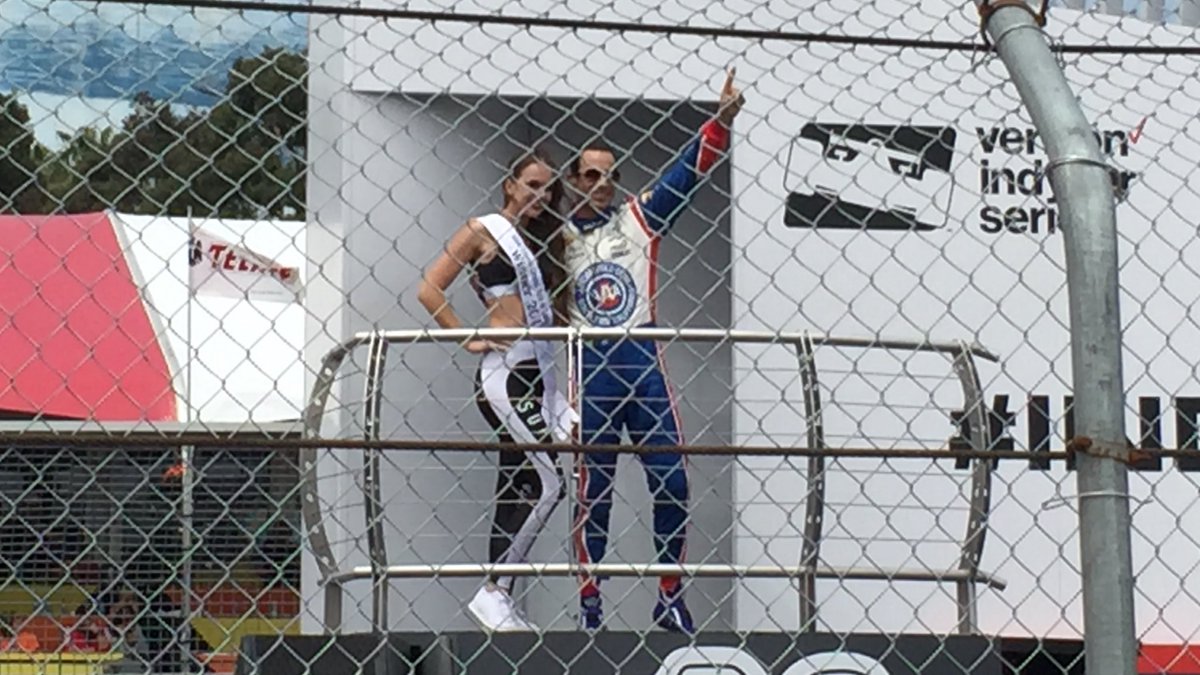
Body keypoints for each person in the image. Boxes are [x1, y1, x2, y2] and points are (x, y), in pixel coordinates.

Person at [566, 68, 745, 634]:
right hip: (588, 368)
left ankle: (670, 593)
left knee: (672, 479)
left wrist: (719, 123)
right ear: (573, 181)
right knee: (594, 492)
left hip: (642, 362)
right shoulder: (554, 234)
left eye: (608, 174)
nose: (600, 181)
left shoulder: (639, 217)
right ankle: (590, 600)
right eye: (589, 174)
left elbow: (686, 177)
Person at [418, 148, 577, 632]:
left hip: (537, 375)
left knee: (519, 483)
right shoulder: (483, 230)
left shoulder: (534, 242)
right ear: (510, 184)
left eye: (547, 187)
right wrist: (468, 336)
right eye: (531, 184)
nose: (540, 195)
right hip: (506, 376)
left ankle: (499, 594)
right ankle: (495, 590)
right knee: (550, 483)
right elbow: (429, 288)